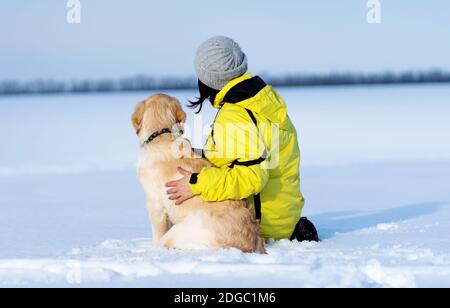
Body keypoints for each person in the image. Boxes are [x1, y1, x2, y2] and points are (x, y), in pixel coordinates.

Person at [166, 36, 318, 242]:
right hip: (283, 215)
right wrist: (197, 154)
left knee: (173, 236)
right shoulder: (261, 101)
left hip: (257, 225)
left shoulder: (235, 114)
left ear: (208, 78)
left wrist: (196, 183)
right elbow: (242, 155)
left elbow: (252, 176)